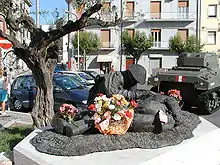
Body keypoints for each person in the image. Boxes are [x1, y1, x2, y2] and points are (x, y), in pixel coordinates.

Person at [87, 64, 182, 126]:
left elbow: (132, 99)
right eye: (134, 80)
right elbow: (113, 94)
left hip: (116, 108)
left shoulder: (131, 82)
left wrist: (144, 96)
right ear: (129, 74)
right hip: (99, 106)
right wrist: (136, 95)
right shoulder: (114, 77)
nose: (134, 83)